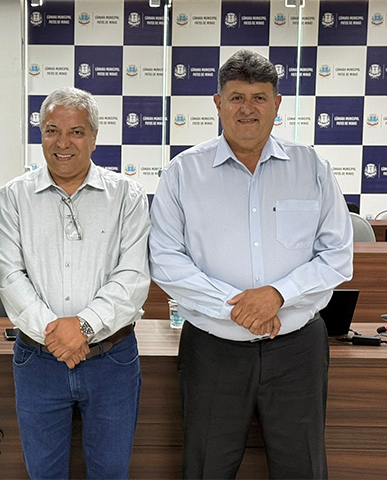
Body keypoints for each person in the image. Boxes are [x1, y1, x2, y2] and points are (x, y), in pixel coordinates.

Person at [149, 49, 353, 479]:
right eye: (237, 97)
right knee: (206, 467)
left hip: (297, 349)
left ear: (277, 104)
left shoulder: (312, 167)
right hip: (213, 348)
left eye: (259, 97)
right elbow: (165, 259)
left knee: (303, 468)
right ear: (218, 103)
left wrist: (277, 296)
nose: (248, 108)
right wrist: (238, 307)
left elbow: (336, 254)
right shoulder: (183, 172)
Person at [0, 87, 150, 479]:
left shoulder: (127, 196)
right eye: (52, 131)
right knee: (43, 474)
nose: (62, 142)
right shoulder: (14, 197)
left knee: (111, 473)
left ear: (94, 137)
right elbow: (9, 276)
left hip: (112, 359)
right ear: (41, 135)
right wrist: (57, 334)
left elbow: (132, 277)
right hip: (38, 361)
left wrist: (82, 327)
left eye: (76, 132)